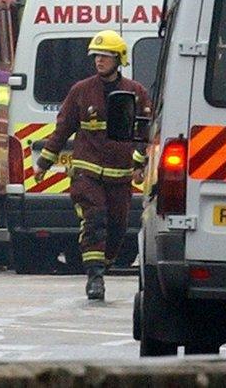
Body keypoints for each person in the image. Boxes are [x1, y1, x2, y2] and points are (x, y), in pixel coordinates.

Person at [33, 30, 150, 301]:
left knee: (118, 228)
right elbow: (62, 129)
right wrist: (43, 163)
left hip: (120, 175)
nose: (99, 61)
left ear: (118, 59)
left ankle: (102, 265)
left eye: (105, 56)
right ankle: (95, 277)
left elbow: (145, 131)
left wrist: (140, 162)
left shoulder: (136, 92)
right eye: (96, 56)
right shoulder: (82, 91)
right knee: (94, 217)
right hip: (87, 172)